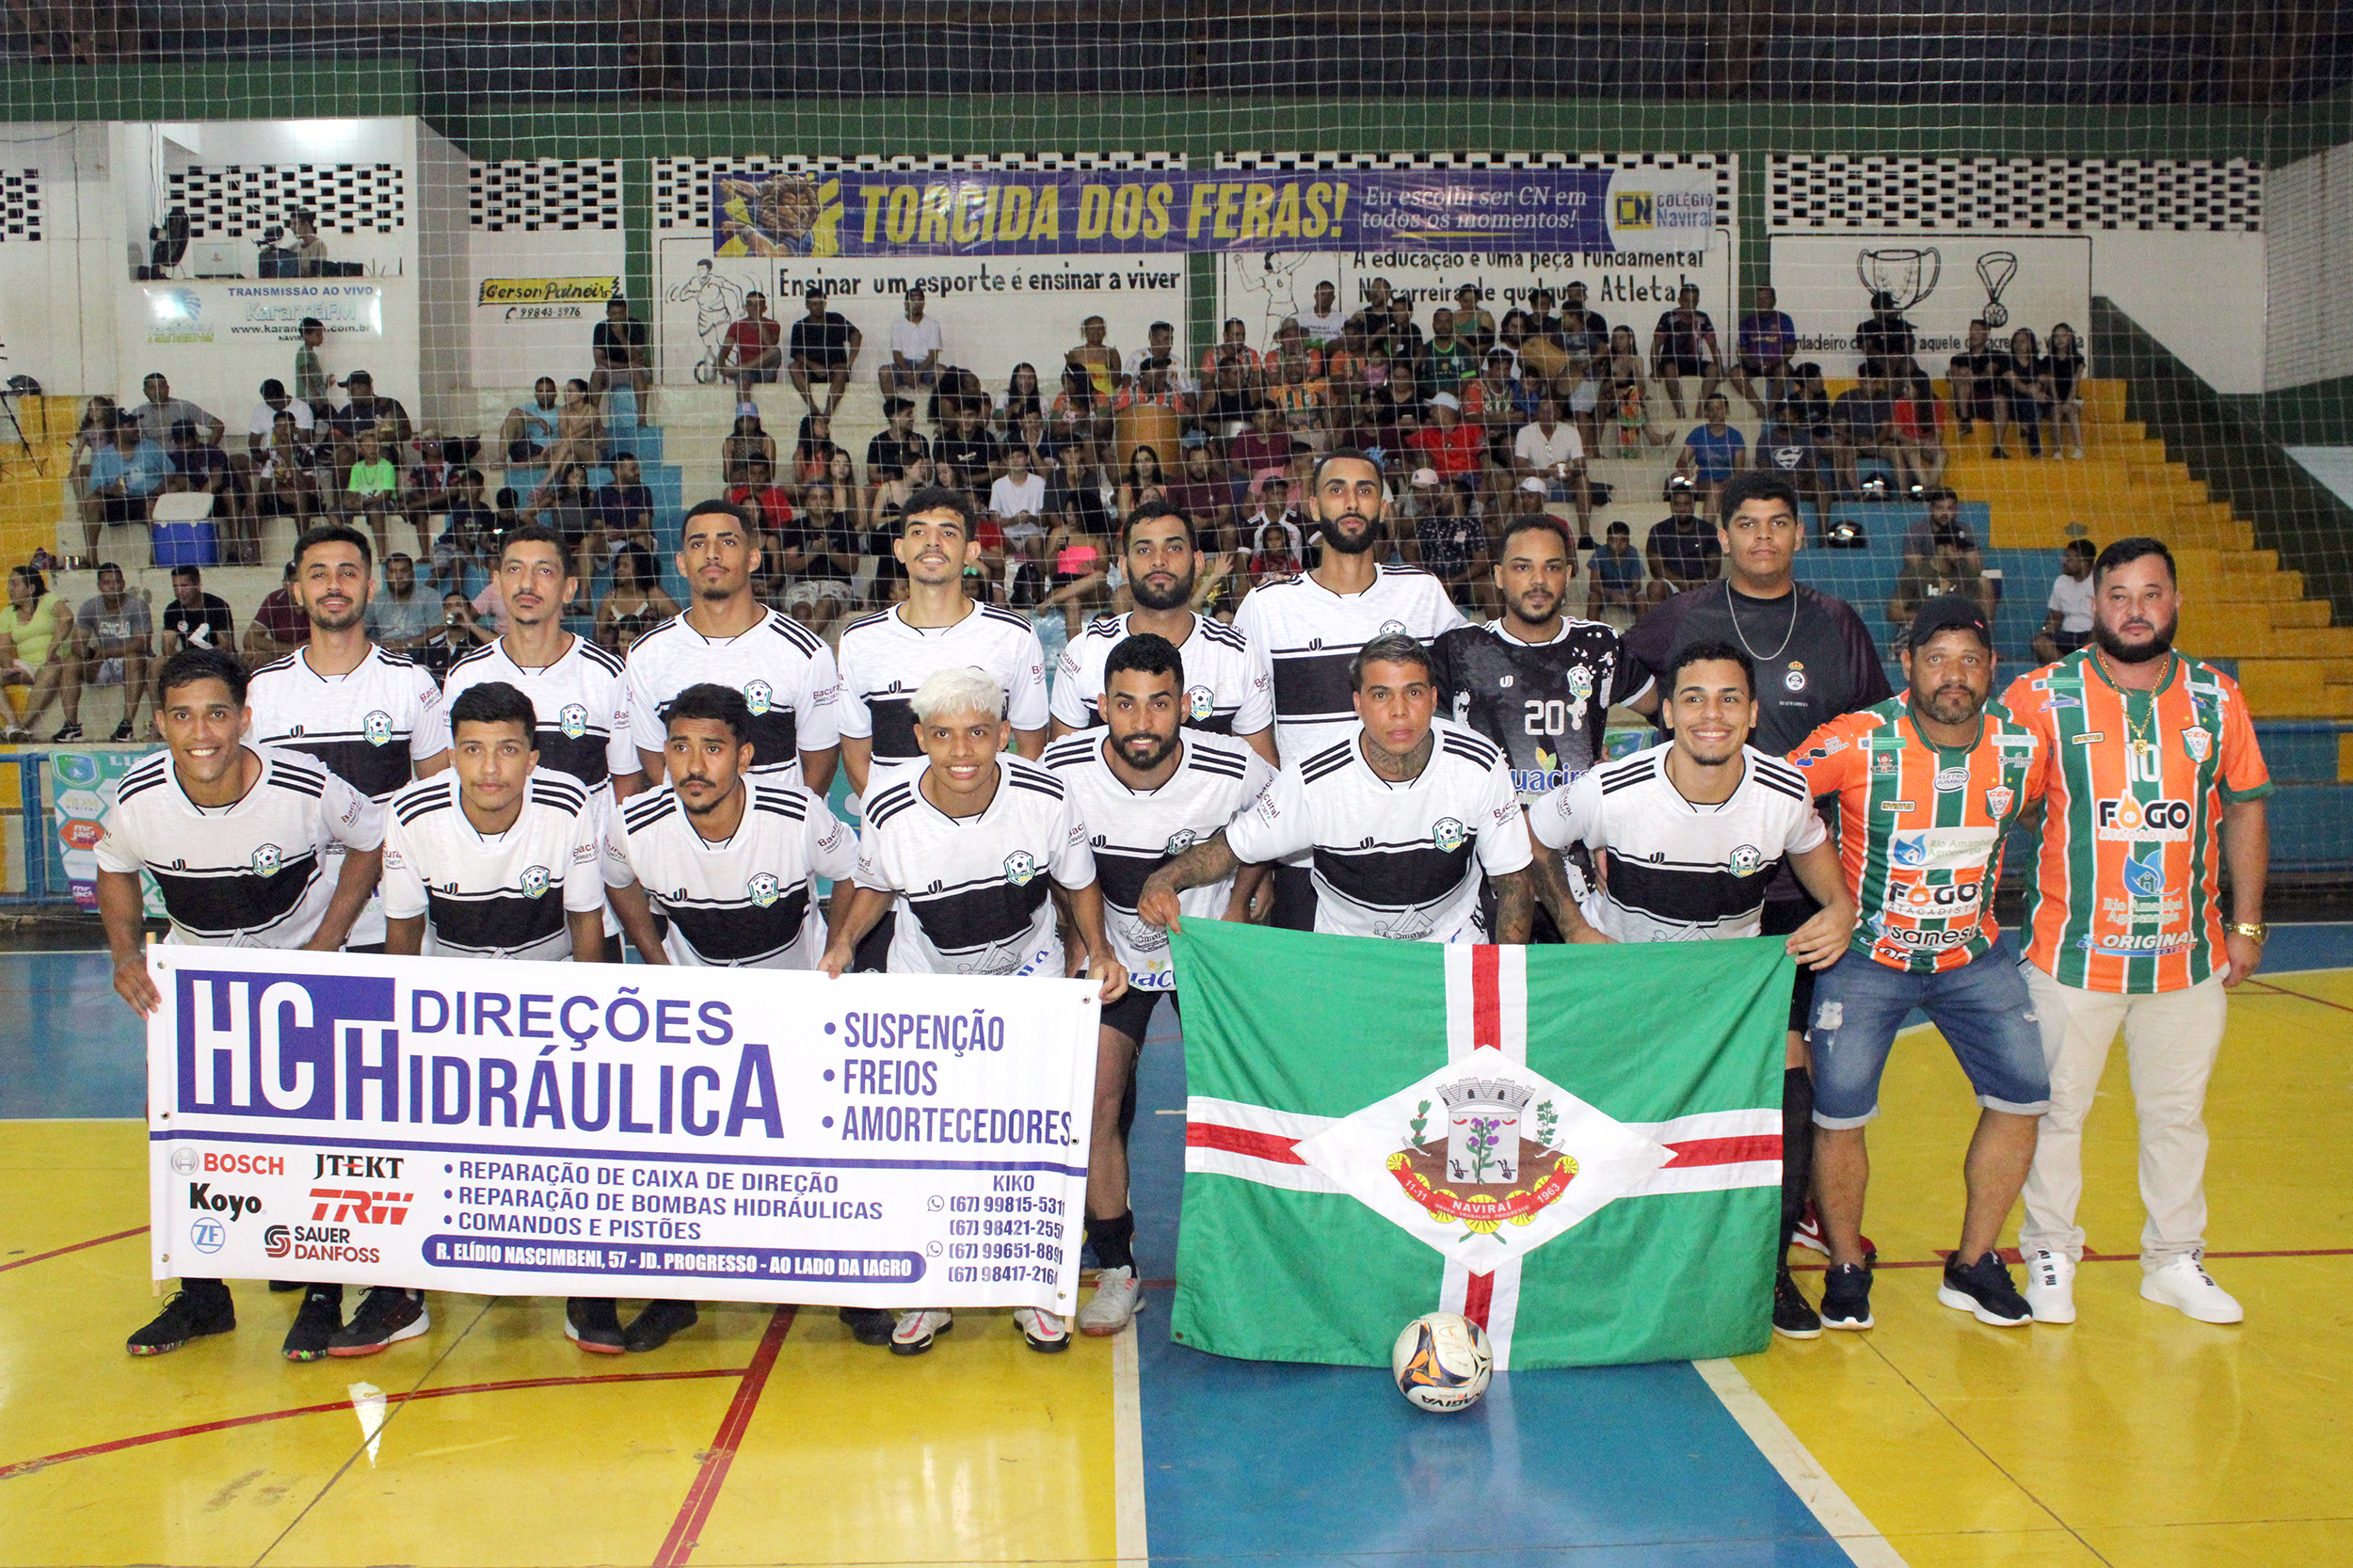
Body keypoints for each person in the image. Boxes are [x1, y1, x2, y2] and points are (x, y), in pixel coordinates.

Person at [1623, 472, 1893, 1331]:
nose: (1764, 538)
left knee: (1790, 1068)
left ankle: (1777, 1242)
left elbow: (1873, 738)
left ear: (1799, 535)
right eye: (1747, 524)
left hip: (1796, 892)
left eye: (1779, 524)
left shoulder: (1835, 624)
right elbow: (1622, 691)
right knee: (1681, 1065)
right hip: (1690, 887)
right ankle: (1663, 1227)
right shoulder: (1680, 619)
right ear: (1724, 534)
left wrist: (1849, 886)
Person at [1527, 639, 1853, 1336]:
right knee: (1594, 1117)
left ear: (1754, 713)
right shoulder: (1611, 790)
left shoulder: (1783, 792)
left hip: (1725, 994)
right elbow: (1533, 837)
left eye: (1730, 699)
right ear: (1668, 712)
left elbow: (1828, 885)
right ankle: (1579, 1254)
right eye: (1696, 699)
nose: (1713, 715)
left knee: (1792, 1081)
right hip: (1629, 985)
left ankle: (1766, 1270)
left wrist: (1842, 914)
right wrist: (1576, 924)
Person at [2001, 536, 2272, 1326]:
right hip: (2069, 952)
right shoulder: (2041, 696)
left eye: (2151, 594)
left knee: (2177, 1117)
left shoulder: (2219, 699)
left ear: (2176, 602)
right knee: (2055, 1112)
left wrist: (2247, 924)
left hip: (2186, 958)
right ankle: (2049, 1252)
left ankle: (2174, 1260)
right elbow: (1994, 800)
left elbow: (2247, 806)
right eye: (2119, 596)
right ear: (2097, 606)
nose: (2135, 610)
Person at [818, 665, 1128, 1356]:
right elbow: (874, 884)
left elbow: (1077, 886)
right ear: (921, 737)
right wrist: (841, 943)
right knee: (932, 1141)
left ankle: (1031, 1292)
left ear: (1004, 735)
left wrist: (1098, 951)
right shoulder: (888, 808)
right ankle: (929, 1294)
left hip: (1026, 974)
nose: (962, 753)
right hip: (929, 985)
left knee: (1031, 1139)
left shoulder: (1046, 797)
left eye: (979, 734)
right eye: (945, 736)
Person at [105, 647, 387, 1359]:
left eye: (217, 714)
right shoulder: (138, 798)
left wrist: (327, 942)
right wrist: (124, 954)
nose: (201, 732)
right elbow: (114, 867)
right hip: (198, 970)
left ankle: (323, 1296)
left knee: (320, 1134)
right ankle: (204, 1298)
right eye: (182, 716)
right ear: (162, 725)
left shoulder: (301, 784)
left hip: (298, 970)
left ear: (245, 720)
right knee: (175, 1130)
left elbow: (372, 840)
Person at [1792, 596, 2055, 1333]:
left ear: (1992, 668)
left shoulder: (2023, 745)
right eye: (1936, 659)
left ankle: (1974, 1264)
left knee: (2025, 1095)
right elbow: (1775, 798)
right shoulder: (1857, 739)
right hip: (1868, 955)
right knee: (1838, 1110)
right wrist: (1825, 899)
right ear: (1906, 664)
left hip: (1973, 953)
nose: (1954, 676)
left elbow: (2033, 812)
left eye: (1970, 659)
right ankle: (1846, 1263)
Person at [1043, 635, 1273, 1336]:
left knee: (1248, 1104)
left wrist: (1240, 906)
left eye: (1159, 704)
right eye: (1125, 705)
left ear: (1185, 706)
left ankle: (1258, 1265)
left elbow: (1275, 831)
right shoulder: (1062, 768)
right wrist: (1085, 943)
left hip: (1208, 953)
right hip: (1116, 957)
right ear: (1103, 707)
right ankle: (1118, 1268)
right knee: (1094, 1099)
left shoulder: (1237, 767)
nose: (1142, 722)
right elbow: (1053, 863)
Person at [1143, 631, 1534, 946]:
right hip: (1347, 953)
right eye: (1381, 695)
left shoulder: (1479, 764)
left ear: (1433, 699)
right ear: (1358, 704)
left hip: (1454, 943)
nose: (1399, 710)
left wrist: (1504, 975)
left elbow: (1513, 881)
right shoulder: (1314, 778)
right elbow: (1232, 847)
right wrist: (1165, 879)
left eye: (1413, 692)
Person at [1230, 448, 1470, 929]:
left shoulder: (1422, 594)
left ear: (1383, 506)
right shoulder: (1266, 607)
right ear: (1315, 507)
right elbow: (1247, 732)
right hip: (1305, 850)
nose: (1352, 502)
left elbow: (1473, 698)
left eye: (1365, 490)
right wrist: (1259, 858)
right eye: (1336, 490)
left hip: (1413, 839)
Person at [245, 524, 454, 952]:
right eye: (318, 574)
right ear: (298, 591)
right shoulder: (263, 690)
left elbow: (439, 802)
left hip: (388, 912)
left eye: (348, 572)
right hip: (292, 916)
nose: (334, 585)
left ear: (370, 587)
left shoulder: (411, 683)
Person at [834, 485, 1049, 797]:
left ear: (971, 552)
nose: (932, 542)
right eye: (919, 532)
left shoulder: (1013, 635)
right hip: (899, 834)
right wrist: (893, 820)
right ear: (900, 549)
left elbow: (1031, 749)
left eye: (948, 533)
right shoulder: (860, 639)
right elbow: (855, 756)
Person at [622, 499, 841, 796]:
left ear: (753, 558)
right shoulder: (646, 653)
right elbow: (655, 758)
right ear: (681, 563)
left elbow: (820, 762)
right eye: (698, 544)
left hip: (775, 837)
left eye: (727, 542)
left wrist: (785, 828)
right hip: (687, 837)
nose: (712, 554)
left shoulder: (804, 651)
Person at [1433, 511, 1648, 811]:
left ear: (1568, 575)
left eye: (1552, 567)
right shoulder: (1460, 649)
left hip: (1575, 845)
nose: (1538, 580)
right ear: (1498, 575)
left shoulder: (1599, 646)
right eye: (1522, 567)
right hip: (1486, 841)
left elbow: (1668, 710)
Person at [1049, 499, 1277, 758]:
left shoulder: (1236, 654)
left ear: (1198, 562)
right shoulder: (1085, 652)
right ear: (1123, 566)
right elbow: (1060, 772)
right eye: (1144, 550)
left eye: (1174, 548)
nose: (1159, 561)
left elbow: (1264, 774)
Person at [72, 562, 154, 741]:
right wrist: (88, 655)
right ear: (99, 586)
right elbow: (77, 642)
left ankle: (126, 725)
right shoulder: (90, 606)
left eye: (117, 582)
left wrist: (105, 652)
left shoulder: (137, 606)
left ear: (123, 584)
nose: (113, 587)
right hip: (105, 664)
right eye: (107, 583)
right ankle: (71, 727)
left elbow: (141, 644)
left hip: (137, 663)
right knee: (71, 662)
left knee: (133, 659)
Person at [1887, 522, 1997, 649]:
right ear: (1941, 548)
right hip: (1921, 631)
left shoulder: (1967, 576)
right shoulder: (1917, 574)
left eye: (1962, 549)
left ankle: (1985, 643)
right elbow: (1893, 612)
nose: (1960, 554)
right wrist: (1928, 616)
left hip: (1957, 634)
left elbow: (1974, 612)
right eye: (1956, 548)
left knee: (1984, 583)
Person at [0, 566, 77, 742]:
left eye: (15, 584)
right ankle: (12, 725)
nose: (9, 588)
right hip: (27, 666)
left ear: (31, 588)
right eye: (9, 584)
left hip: (54, 662)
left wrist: (52, 649)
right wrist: (7, 666)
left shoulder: (48, 600)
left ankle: (22, 727)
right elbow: (2, 648)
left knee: (50, 670)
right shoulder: (6, 613)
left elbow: (67, 618)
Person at [81, 414, 172, 559]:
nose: (137, 429)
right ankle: (91, 557)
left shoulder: (150, 447)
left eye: (136, 425)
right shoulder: (104, 455)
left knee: (152, 505)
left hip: (148, 498)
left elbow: (171, 472)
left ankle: (156, 556)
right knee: (92, 501)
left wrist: (162, 486)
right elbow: (96, 485)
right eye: (131, 425)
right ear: (117, 430)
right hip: (120, 501)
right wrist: (112, 490)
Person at [783, 482, 858, 637]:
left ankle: (803, 645)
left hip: (837, 585)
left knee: (825, 605)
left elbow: (852, 566)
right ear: (807, 502)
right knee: (802, 612)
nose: (818, 501)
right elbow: (789, 567)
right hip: (804, 585)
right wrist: (813, 553)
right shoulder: (796, 527)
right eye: (813, 498)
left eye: (824, 497)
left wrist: (828, 551)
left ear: (832, 502)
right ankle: (809, 646)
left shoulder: (845, 526)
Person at [1649, 283, 1721, 418]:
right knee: (1670, 369)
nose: (1690, 305)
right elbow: (1656, 346)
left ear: (1698, 302)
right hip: (1671, 361)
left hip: (1693, 362)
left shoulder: (1702, 318)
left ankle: (1700, 408)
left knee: (1714, 369)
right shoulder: (1668, 318)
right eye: (1687, 301)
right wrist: (1655, 370)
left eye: (1694, 301)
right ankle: (1680, 412)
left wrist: (1721, 369)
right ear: (1680, 301)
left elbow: (1714, 346)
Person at [596, 541, 679, 657]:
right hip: (618, 661)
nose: (619, 569)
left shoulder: (653, 595)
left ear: (639, 570)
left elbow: (680, 622)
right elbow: (598, 635)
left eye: (625, 566)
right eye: (619, 565)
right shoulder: (610, 599)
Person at [788, 287, 861, 415]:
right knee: (793, 367)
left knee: (842, 371)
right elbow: (796, 354)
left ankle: (827, 414)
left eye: (820, 303)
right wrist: (813, 366)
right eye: (814, 304)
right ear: (807, 305)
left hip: (834, 369)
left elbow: (856, 335)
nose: (817, 307)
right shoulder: (800, 326)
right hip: (811, 370)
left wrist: (849, 363)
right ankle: (813, 409)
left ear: (825, 304)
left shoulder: (836, 319)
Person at [1642, 486, 1721, 603]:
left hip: (1702, 584)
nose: (1682, 508)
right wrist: (1681, 583)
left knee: (1722, 587)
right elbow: (1656, 568)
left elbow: (1715, 567)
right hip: (1672, 585)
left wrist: (1702, 580)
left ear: (1693, 505)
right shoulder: (1659, 530)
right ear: (1671, 506)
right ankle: (1658, 622)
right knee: (1656, 587)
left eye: (1686, 504)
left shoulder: (1708, 530)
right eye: (1677, 504)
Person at [1731, 285, 1799, 415]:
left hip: (1776, 364)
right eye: (1759, 299)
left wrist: (1772, 363)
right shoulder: (1747, 321)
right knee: (1735, 374)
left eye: (1766, 299)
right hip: (1754, 364)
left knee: (1784, 371)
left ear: (1773, 301)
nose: (1762, 303)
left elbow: (1790, 350)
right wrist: (1755, 363)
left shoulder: (1784, 320)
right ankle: (1760, 408)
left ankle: (1771, 409)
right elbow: (1742, 351)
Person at [1675, 393, 1749, 512]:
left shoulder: (1736, 436)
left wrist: (1726, 484)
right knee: (1715, 489)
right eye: (1711, 409)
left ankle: (1707, 529)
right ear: (1706, 413)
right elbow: (1682, 461)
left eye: (1719, 408)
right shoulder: (1697, 434)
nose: (1715, 412)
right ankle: (1708, 529)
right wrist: (1687, 473)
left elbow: (1739, 470)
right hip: (1702, 483)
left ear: (1726, 410)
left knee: (1717, 489)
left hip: (1729, 484)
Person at [2032, 538, 2098, 664]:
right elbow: (2055, 617)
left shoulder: (2100, 582)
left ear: (2083, 562)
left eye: (2069, 558)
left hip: (2090, 635)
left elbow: (2104, 621)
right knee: (2039, 642)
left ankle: (2074, 667)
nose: (2064, 561)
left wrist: (2091, 641)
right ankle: (2070, 671)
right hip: (2066, 636)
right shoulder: (2061, 581)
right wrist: (2046, 631)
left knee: (2096, 640)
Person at [363, 552, 439, 655]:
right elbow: (358, 631)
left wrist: (408, 644)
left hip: (422, 652)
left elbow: (439, 627)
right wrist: (383, 647)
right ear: (386, 575)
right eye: (393, 571)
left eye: (403, 571)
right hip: (385, 653)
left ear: (412, 574)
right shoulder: (376, 599)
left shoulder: (429, 595)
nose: (398, 576)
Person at [341, 427, 400, 558]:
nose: (372, 449)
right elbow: (353, 491)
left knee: (374, 511)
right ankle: (344, 551)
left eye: (375, 446)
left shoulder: (387, 466)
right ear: (361, 449)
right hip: (365, 502)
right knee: (334, 513)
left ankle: (382, 555)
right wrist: (350, 502)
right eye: (368, 446)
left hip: (385, 502)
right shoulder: (357, 467)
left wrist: (361, 503)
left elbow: (385, 495)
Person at [155, 566, 235, 661]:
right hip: (187, 661)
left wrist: (202, 659)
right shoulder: (173, 610)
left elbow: (225, 646)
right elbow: (167, 649)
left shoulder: (217, 606)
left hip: (217, 659)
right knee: (158, 664)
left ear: (197, 585)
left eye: (184, 586)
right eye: (176, 587)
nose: (179, 592)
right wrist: (186, 660)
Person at [1995, 328, 2050, 460]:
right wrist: (2032, 391)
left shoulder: (2037, 362)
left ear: (2031, 344)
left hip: (2034, 403)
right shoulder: (2007, 361)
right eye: (2016, 341)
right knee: (2030, 402)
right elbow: (2016, 384)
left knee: (2043, 402)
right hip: (2014, 405)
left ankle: (2028, 427)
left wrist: (2037, 388)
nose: (2019, 344)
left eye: (2023, 341)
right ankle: (2036, 451)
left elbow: (2044, 381)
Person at [589, 296, 650, 411]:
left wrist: (621, 337)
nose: (617, 317)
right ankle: (594, 416)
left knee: (637, 370)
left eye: (621, 314)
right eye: (614, 314)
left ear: (626, 313)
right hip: (612, 371)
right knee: (597, 373)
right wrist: (626, 365)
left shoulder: (635, 325)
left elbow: (637, 357)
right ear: (608, 313)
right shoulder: (601, 328)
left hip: (633, 371)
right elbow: (599, 361)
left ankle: (642, 419)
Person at [1945, 319, 2004, 439]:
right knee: (1962, 380)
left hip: (1986, 399)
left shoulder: (1995, 355)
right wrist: (1958, 374)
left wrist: (1973, 377)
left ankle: (1998, 447)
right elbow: (1952, 374)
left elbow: (1990, 373)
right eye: (1971, 330)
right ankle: (1965, 420)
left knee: (2001, 399)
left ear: (1986, 335)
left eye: (1977, 331)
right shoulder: (1958, 359)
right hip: (1965, 401)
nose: (1973, 334)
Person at [882, 286, 944, 396]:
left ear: (924, 304)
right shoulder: (897, 325)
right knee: (884, 372)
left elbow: (933, 355)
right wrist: (906, 372)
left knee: (942, 371)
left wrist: (918, 373)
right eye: (913, 300)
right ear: (906, 304)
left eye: (919, 300)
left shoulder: (933, 324)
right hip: (904, 364)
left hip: (926, 365)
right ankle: (894, 409)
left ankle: (936, 409)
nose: (916, 303)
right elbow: (896, 354)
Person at [716, 290, 783, 392]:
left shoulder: (773, 324)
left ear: (764, 308)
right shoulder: (737, 326)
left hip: (765, 371)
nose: (754, 308)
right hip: (745, 373)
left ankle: (740, 369)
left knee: (775, 351)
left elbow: (770, 346)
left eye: (757, 305)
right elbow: (726, 349)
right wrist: (721, 367)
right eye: (750, 305)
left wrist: (759, 321)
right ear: (746, 307)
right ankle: (744, 408)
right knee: (743, 381)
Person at [245, 561, 311, 660]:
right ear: (284, 584)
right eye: (294, 581)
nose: (298, 586)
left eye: (303, 581)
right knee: (250, 656)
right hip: (280, 654)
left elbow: (329, 636)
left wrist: (294, 651)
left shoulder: (318, 600)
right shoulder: (275, 599)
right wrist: (290, 650)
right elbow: (250, 638)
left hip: (313, 655)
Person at [2042, 323, 2087, 459]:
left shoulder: (2078, 360)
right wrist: (2057, 401)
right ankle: (2057, 450)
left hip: (2071, 397)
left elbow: (2075, 382)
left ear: (2070, 338)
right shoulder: (2048, 360)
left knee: (2071, 410)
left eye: (2063, 335)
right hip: (2054, 397)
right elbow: (2051, 383)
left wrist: (2068, 401)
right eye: (2056, 336)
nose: (2059, 339)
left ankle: (2079, 448)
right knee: (2056, 410)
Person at [1587, 519, 1645, 620]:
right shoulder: (1600, 553)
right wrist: (1611, 593)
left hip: (1627, 591)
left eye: (1623, 540)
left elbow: (1637, 584)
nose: (1618, 545)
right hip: (1605, 591)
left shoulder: (1632, 553)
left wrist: (1630, 593)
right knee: (1593, 598)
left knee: (1642, 599)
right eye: (1614, 540)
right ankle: (1592, 633)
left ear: (1628, 541)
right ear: (1607, 541)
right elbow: (1594, 585)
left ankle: (1641, 634)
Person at [866, 397, 929, 484]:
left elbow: (928, 476)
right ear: (895, 418)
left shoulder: (920, 440)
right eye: (908, 415)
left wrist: (916, 454)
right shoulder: (878, 442)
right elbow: (871, 476)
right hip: (887, 488)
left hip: (913, 487)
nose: (912, 418)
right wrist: (889, 477)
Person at [502, 377, 562, 465]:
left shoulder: (562, 411)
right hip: (528, 449)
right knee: (513, 419)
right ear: (535, 395)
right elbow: (513, 413)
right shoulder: (530, 408)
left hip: (550, 451)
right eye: (541, 391)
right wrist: (538, 420)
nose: (544, 395)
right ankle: (501, 460)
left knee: (556, 455)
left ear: (555, 394)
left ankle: (528, 464)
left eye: (548, 391)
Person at [294, 317, 337, 416]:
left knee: (334, 420)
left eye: (321, 335)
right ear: (306, 336)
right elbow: (305, 376)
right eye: (318, 335)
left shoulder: (310, 353)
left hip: (317, 397)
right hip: (310, 400)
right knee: (333, 420)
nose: (321, 338)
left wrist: (325, 385)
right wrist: (316, 396)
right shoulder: (304, 352)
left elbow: (313, 379)